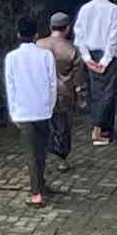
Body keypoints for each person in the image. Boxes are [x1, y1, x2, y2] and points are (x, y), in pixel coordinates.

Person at [3, 13, 61, 208]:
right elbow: (53, 83)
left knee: (31, 152)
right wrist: (50, 105)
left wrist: (13, 113)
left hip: (23, 111)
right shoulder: (45, 55)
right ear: (36, 35)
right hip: (42, 109)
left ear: (19, 34)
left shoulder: (11, 58)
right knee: (42, 150)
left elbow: (10, 87)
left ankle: (36, 191)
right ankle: (40, 184)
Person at [74, 0, 117, 145]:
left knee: (96, 93)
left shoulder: (84, 9)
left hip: (91, 53)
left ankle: (103, 128)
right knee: (108, 93)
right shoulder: (113, 9)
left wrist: (87, 58)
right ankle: (99, 128)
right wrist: (106, 60)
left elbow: (79, 36)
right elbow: (113, 37)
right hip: (107, 55)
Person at [44, 13, 80, 163]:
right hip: (64, 93)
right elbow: (79, 78)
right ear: (67, 28)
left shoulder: (39, 45)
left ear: (50, 27)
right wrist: (81, 95)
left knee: (45, 125)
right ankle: (61, 157)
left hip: (43, 92)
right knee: (63, 127)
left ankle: (47, 151)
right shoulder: (71, 49)